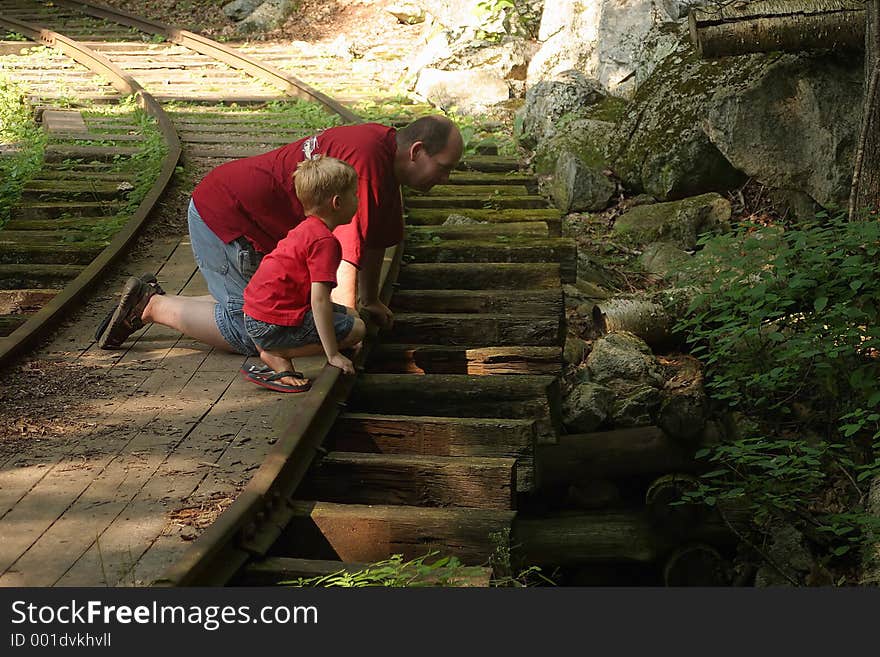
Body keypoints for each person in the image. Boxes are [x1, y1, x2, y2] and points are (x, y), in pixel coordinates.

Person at [95, 115, 464, 355]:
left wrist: (370, 299)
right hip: (228, 220)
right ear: (416, 152)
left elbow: (377, 238)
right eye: (444, 169)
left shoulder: (382, 151)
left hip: (249, 223)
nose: (445, 180)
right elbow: (347, 260)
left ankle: (191, 299)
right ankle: (153, 306)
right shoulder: (367, 162)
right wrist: (348, 329)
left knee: (288, 312)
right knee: (259, 334)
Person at [240, 155, 366, 393]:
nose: (358, 200)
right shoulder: (325, 242)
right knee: (357, 330)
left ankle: (276, 349)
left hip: (259, 314)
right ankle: (276, 352)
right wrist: (333, 354)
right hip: (269, 324)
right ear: (337, 202)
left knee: (352, 314)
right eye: (355, 194)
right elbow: (319, 300)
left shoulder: (308, 228)